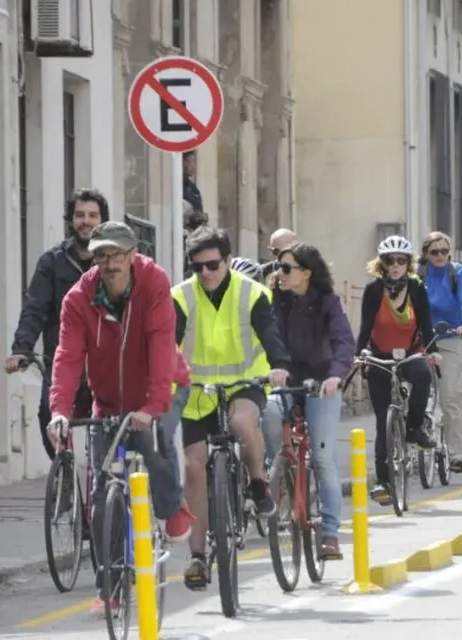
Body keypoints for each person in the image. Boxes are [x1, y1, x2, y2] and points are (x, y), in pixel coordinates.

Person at [45, 221, 194, 613]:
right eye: (101, 256)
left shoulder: (153, 283)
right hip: (109, 403)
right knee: (102, 493)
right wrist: (59, 411)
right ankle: (109, 586)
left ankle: (173, 506)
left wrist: (153, 405)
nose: (109, 263)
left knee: (153, 442)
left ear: (132, 255)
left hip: (163, 387)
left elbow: (161, 344)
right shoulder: (78, 299)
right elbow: (67, 357)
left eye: (116, 255)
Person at [173, 226, 291, 590]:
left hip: (245, 383)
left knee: (242, 423)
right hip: (198, 393)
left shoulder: (251, 293)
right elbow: (166, 344)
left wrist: (279, 366)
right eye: (198, 267)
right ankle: (196, 557)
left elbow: (270, 335)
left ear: (227, 260)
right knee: (194, 466)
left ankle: (258, 483)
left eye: (213, 265)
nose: (205, 273)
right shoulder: (180, 297)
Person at [260, 243, 354, 559]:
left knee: (324, 458)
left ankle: (330, 533)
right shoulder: (273, 300)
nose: (280, 273)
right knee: (269, 412)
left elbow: (344, 342)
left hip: (321, 383)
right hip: (286, 381)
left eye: (287, 268)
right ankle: (281, 469)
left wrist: (335, 376)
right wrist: (268, 370)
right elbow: (261, 338)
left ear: (307, 273)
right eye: (279, 267)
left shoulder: (328, 303)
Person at [5, 188, 108, 460]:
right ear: (71, 219)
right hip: (62, 357)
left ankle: (103, 473)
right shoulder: (52, 262)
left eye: (93, 215)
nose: (86, 221)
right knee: (47, 412)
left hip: (105, 360)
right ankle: (64, 467)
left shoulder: (112, 262)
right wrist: (21, 349)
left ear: (102, 220)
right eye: (80, 215)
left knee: (110, 422)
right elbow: (34, 309)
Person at [355, 235, 440, 503]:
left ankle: (414, 428)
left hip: (410, 353)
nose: (395, 266)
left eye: (401, 261)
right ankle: (383, 483)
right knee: (383, 422)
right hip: (380, 356)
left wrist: (433, 350)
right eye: (389, 261)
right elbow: (365, 327)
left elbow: (426, 324)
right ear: (382, 263)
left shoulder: (417, 289)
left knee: (422, 375)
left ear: (408, 263)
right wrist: (359, 355)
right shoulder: (373, 290)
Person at [417, 232, 462, 473]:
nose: (440, 256)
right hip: (422, 340)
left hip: (452, 337)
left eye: (444, 251)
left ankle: (456, 454)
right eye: (434, 252)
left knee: (451, 396)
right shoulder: (418, 275)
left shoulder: (457, 273)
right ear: (426, 254)